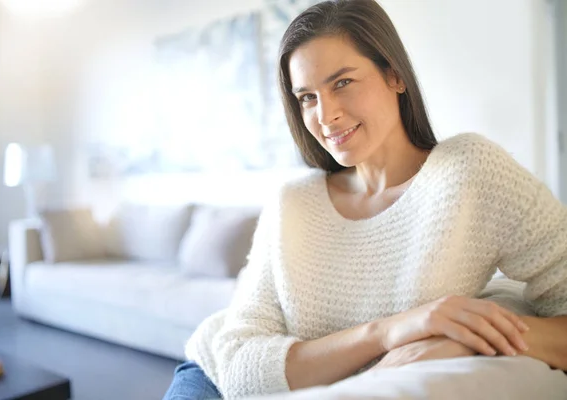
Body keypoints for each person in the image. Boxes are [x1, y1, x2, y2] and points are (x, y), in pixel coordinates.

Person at [164, 0, 567, 399]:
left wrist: (471, 341)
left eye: (342, 83)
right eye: (307, 97)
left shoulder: (470, 172)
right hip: (211, 377)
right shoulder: (293, 203)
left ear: (395, 76)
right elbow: (239, 368)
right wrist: (389, 330)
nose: (326, 115)